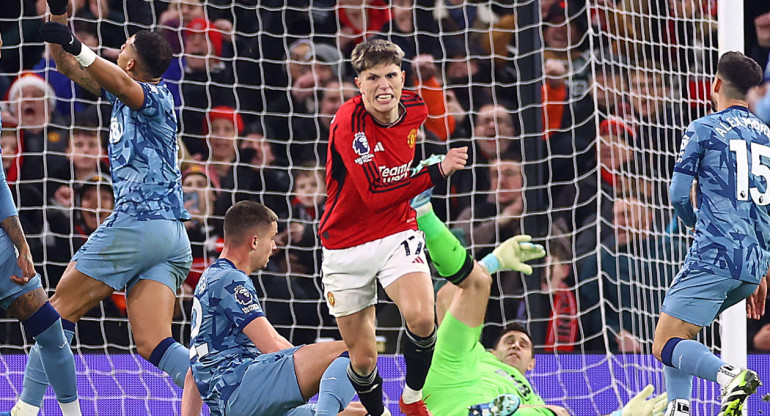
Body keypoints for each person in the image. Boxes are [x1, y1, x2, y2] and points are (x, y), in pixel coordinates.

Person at [4, 2, 194, 415]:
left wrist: (77, 42)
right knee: (153, 342)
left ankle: (26, 409)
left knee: (55, 312)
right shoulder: (121, 90)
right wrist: (58, 23)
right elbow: (71, 68)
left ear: (130, 60)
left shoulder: (156, 97)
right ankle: (233, 396)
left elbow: (124, 85)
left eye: (123, 46)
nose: (117, 49)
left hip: (138, 223)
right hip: (170, 238)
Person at [409, 188, 667, 416]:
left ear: (532, 363)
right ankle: (422, 211)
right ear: (492, 352)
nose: (515, 346)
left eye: (523, 344)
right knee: (476, 283)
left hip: (485, 408)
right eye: (509, 341)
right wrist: (494, 262)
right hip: (454, 378)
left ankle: (490, 411)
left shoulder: (531, 396)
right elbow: (446, 296)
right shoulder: (476, 355)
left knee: (556, 412)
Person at [318, 38, 468, 416]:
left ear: (402, 78)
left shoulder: (416, 108)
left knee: (421, 317)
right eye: (372, 78)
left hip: (397, 231)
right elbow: (373, 193)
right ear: (359, 84)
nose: (382, 85)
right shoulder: (348, 123)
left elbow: (401, 171)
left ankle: (413, 398)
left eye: (389, 75)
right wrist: (435, 172)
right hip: (344, 245)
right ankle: (378, 413)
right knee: (364, 359)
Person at [651, 51, 767, 416]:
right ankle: (679, 408)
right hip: (751, 265)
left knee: (664, 342)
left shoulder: (703, 127)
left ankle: (729, 376)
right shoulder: (768, 137)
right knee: (681, 330)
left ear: (715, 84)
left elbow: (677, 195)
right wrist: (763, 267)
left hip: (714, 254)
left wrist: (693, 222)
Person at [184, 200, 364, 416]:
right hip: (243, 389)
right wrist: (316, 372)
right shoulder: (231, 279)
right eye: (271, 238)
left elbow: (192, 372)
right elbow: (272, 344)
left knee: (359, 413)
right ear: (254, 241)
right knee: (355, 348)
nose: (275, 246)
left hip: (233, 403)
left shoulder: (209, 279)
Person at [0, 31, 82, 416]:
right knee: (52, 332)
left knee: (51, 331)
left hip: (9, 249)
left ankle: (49, 411)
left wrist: (20, 243)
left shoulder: (52, 141)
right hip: (9, 248)